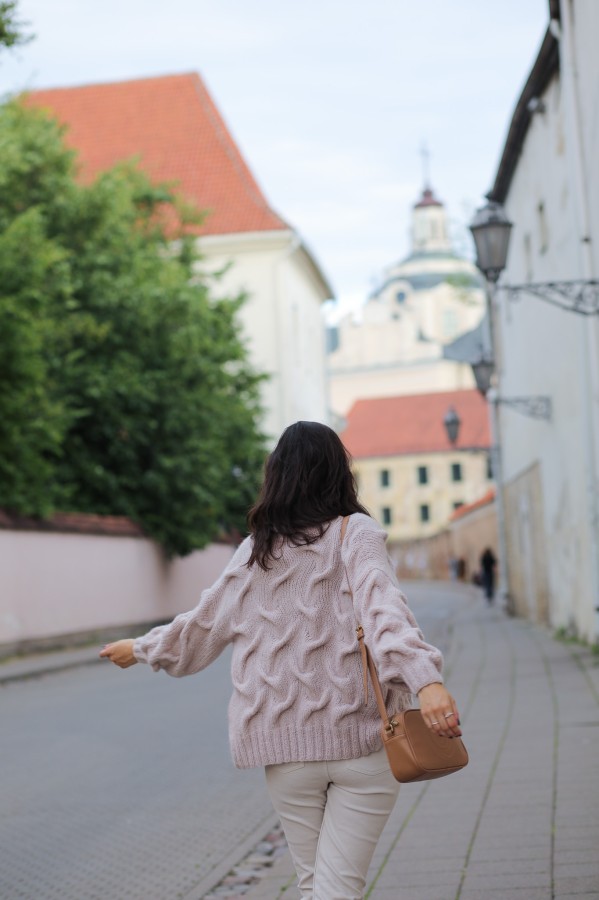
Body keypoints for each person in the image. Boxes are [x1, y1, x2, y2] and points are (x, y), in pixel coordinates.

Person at [101, 421, 462, 899]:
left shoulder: (256, 550)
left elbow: (203, 625)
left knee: (317, 886)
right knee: (336, 890)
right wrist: (426, 681)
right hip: (364, 744)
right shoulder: (356, 533)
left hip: (285, 753)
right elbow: (385, 612)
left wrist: (142, 648)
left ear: (277, 475)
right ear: (340, 473)